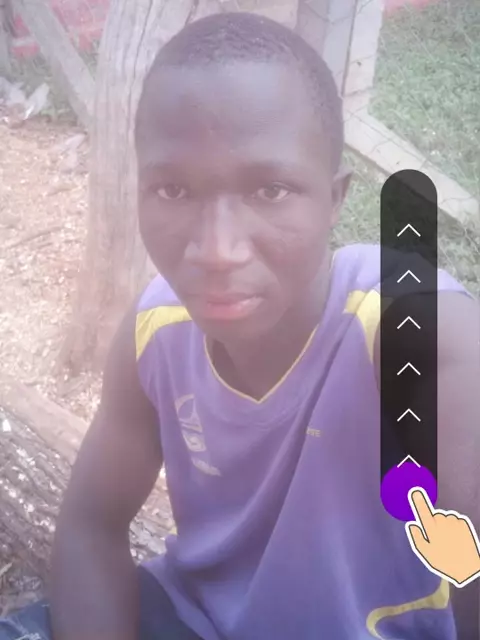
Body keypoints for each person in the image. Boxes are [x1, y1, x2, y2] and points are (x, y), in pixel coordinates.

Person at [2, 11, 479, 640]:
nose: (217, 250)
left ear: (335, 198)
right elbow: (92, 524)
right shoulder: (156, 334)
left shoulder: (416, 336)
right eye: (174, 191)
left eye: (270, 190)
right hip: (191, 618)